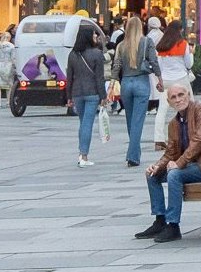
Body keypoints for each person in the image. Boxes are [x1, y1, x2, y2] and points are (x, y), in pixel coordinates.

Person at [138, 85, 201, 244]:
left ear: (188, 95)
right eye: (173, 97)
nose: (178, 99)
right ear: (169, 102)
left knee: (174, 174)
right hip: (189, 166)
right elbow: (171, 152)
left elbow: (200, 140)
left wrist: (179, 163)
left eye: (181, 95)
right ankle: (160, 220)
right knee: (152, 175)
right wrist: (158, 166)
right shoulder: (174, 123)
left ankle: (173, 225)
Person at [111, 16, 157, 166]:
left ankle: (134, 153)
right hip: (141, 82)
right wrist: (160, 78)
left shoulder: (121, 46)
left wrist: (112, 82)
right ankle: (132, 156)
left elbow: (116, 66)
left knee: (130, 121)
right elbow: (154, 61)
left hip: (126, 83)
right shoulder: (147, 42)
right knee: (138, 121)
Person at [66, 23, 107, 168]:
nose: (96, 36)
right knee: (87, 124)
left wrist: (68, 97)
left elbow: (69, 77)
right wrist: (103, 96)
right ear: (89, 36)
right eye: (94, 34)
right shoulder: (97, 54)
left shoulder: (72, 54)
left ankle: (81, 153)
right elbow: (99, 78)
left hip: (77, 93)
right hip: (92, 93)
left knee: (83, 122)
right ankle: (83, 155)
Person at [152, 19, 194, 147]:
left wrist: (160, 80)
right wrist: (191, 54)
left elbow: (159, 66)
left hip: (166, 81)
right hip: (181, 79)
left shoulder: (162, 45)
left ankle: (159, 139)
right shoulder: (183, 44)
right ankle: (192, 135)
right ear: (180, 30)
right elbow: (189, 64)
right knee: (190, 107)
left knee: (162, 110)